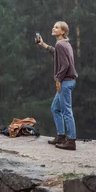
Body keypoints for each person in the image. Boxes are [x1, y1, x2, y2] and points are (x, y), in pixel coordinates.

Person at [36, 21, 78, 150]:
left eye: (56, 27)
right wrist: (43, 44)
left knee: (66, 111)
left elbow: (65, 65)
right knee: (55, 108)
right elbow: (56, 54)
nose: (53, 28)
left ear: (63, 32)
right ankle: (61, 136)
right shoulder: (64, 43)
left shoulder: (61, 44)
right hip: (68, 80)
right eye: (53, 26)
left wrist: (58, 80)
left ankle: (71, 141)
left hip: (65, 81)